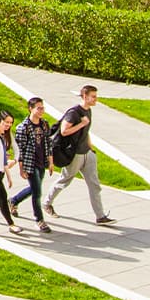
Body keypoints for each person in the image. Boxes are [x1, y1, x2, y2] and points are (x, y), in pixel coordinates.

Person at [49, 85, 114, 225]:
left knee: (94, 185)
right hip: (74, 154)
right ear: (85, 96)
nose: (96, 99)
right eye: (93, 96)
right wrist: (81, 124)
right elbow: (64, 131)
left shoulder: (88, 111)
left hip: (87, 153)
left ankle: (100, 216)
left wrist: (91, 148)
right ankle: (47, 203)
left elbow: (86, 131)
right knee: (64, 181)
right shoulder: (74, 113)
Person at [9, 97, 54, 233]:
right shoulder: (23, 127)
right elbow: (20, 150)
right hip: (30, 163)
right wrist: (21, 169)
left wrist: (51, 162)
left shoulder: (44, 124)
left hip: (42, 162)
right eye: (38, 108)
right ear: (31, 109)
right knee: (37, 193)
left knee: (35, 188)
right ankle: (39, 220)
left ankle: (14, 200)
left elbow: (49, 143)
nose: (41, 111)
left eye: (42, 108)